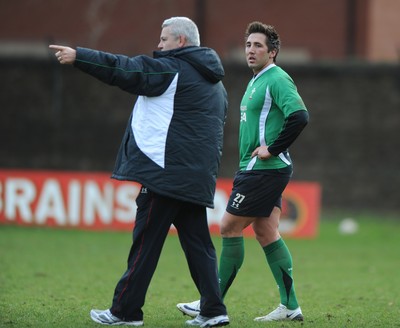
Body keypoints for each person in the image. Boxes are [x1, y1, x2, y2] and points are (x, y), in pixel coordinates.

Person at [50, 16, 229, 327]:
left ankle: (124, 312)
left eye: (163, 40)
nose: (158, 45)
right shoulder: (217, 84)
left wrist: (81, 56)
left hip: (165, 175)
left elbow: (125, 69)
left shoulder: (171, 68)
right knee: (199, 245)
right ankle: (214, 310)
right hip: (195, 177)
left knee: (145, 244)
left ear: (180, 42)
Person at [177, 21, 309, 322]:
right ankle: (290, 306)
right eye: (248, 45)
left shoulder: (277, 78)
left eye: (258, 46)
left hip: (264, 169)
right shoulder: (255, 80)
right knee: (265, 231)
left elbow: (300, 116)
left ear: (272, 52)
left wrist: (272, 148)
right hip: (261, 169)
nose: (251, 50)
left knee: (228, 227)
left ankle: (210, 304)